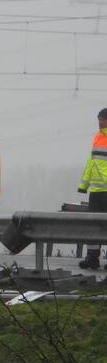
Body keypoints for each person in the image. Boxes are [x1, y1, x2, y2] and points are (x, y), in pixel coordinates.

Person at [77, 108, 107, 269]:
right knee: (93, 225)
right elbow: (91, 162)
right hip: (96, 191)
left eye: (102, 119)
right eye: (98, 119)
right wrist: (84, 185)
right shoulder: (98, 137)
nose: (99, 122)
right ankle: (92, 258)